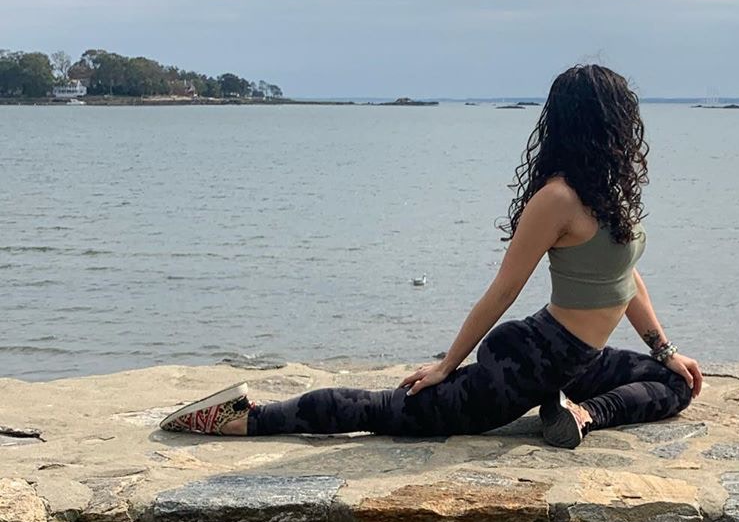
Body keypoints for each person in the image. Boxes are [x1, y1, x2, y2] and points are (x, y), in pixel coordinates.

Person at [160, 64, 703, 448]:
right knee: (391, 413)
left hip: (582, 361)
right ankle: (247, 417)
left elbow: (625, 276)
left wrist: (664, 349)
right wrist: (447, 364)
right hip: (531, 359)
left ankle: (580, 413)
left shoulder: (609, 197)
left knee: (677, 382)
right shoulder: (557, 198)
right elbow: (504, 290)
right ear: (606, 123)